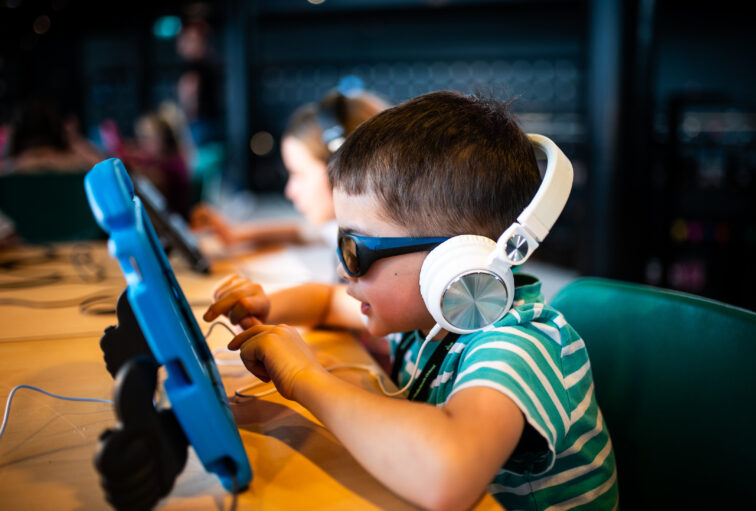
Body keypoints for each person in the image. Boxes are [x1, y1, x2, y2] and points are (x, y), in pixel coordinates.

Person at [203, 91, 618, 510]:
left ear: (451, 263)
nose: (344, 270)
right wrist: (267, 306)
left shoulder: (520, 345)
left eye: (355, 249)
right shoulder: (427, 320)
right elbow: (327, 302)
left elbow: (448, 475)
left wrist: (304, 378)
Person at [190, 89, 390, 248]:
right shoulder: (352, 230)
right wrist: (234, 234)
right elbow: (300, 233)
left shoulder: (381, 246)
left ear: (344, 172)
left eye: (299, 174)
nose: (290, 191)